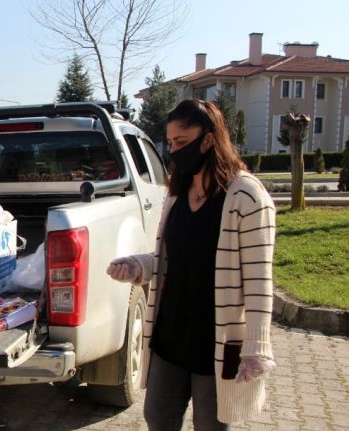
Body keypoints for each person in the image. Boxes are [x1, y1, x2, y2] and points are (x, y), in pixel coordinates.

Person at [107, 99, 276, 430]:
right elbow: (172, 258)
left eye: (181, 142)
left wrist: (257, 347)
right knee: (157, 416)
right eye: (170, 142)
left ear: (209, 139)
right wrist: (139, 266)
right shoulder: (177, 194)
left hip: (215, 339)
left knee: (210, 425)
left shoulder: (247, 198)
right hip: (171, 334)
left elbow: (259, 283)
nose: (174, 150)